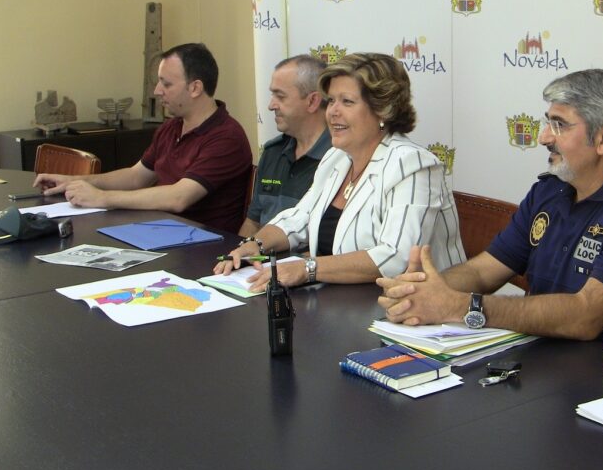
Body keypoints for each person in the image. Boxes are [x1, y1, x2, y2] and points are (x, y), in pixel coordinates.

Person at [377, 69, 603, 341]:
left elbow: (586, 316)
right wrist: (423, 292)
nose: (543, 137)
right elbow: (486, 270)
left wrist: (463, 307)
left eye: (559, 125)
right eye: (547, 123)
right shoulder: (551, 189)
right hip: (537, 361)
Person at [215, 52, 465, 288]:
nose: (333, 111)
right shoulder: (337, 158)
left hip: (413, 314)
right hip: (343, 305)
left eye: (347, 101)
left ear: (382, 110)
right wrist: (255, 244)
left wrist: (307, 268)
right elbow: (299, 218)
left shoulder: (413, 164)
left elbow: (396, 257)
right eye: (331, 100)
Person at [34, 43, 252, 234]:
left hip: (202, 246)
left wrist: (102, 198)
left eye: (166, 84)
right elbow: (136, 176)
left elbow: (179, 198)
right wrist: (75, 181)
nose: (157, 91)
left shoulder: (226, 137)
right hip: (159, 230)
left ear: (195, 88)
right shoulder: (171, 127)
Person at [239, 54, 332, 236]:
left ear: (313, 101)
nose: (271, 105)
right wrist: (236, 257)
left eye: (280, 97)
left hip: (306, 263)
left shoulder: (340, 158)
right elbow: (253, 222)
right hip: (260, 260)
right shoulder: (272, 152)